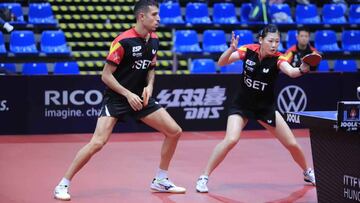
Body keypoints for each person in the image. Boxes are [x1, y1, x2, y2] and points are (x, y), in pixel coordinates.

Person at [54, 0, 186, 200]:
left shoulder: (154, 39)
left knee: (174, 131)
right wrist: (127, 94)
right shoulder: (122, 41)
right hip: (117, 98)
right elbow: (105, 76)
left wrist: (149, 86)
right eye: (154, 14)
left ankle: (161, 179)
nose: (159, 18)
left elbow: (151, 68)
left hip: (140, 98)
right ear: (141, 16)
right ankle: (63, 184)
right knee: (97, 142)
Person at [195, 24, 316, 193]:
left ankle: (307, 172)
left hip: (265, 108)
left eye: (277, 41)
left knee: (292, 144)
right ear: (261, 40)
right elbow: (222, 62)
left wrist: (302, 69)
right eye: (271, 41)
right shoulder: (248, 50)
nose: (274, 45)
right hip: (242, 104)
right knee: (230, 140)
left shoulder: (279, 58)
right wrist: (231, 49)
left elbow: (291, 72)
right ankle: (203, 177)